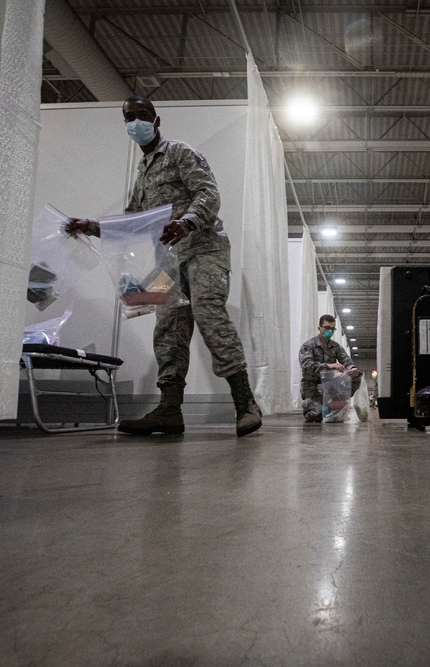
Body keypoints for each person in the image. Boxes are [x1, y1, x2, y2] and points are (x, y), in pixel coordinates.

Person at [66, 95, 261, 437]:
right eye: (130, 117)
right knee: (168, 329)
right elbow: (133, 222)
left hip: (204, 249)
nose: (136, 122)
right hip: (168, 261)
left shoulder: (179, 153)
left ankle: (245, 404)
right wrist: (90, 226)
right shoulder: (143, 172)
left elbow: (208, 194)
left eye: (143, 116)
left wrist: (186, 222)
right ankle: (169, 410)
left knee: (208, 314)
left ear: (157, 121)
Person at [298, 315, 361, 422]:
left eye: (332, 329)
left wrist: (353, 369)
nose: (330, 331)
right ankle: (311, 405)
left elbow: (346, 360)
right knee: (317, 414)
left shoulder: (335, 346)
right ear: (319, 328)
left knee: (356, 376)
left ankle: (337, 403)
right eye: (327, 328)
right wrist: (328, 365)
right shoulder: (308, 345)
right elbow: (306, 365)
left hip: (330, 386)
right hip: (312, 386)